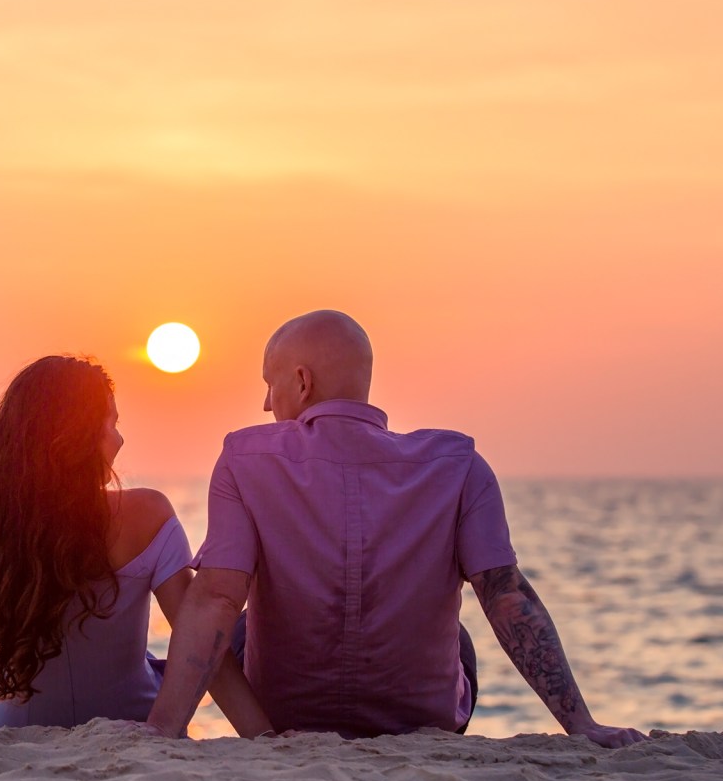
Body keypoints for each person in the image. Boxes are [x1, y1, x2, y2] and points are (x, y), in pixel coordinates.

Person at [145, 311, 647, 748]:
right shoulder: (458, 464)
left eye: (268, 384)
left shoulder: (244, 459)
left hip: (285, 716)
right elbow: (507, 596)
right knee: (463, 638)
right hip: (420, 722)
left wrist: (163, 731)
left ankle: (257, 739)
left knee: (235, 621)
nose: (264, 403)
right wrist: (581, 724)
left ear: (301, 382)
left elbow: (215, 597)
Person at [0, 355, 270, 759]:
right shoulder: (148, 515)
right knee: (229, 633)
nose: (119, 440)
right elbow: (202, 643)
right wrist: (264, 738)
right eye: (112, 423)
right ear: (78, 435)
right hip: (130, 719)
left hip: (11, 731)